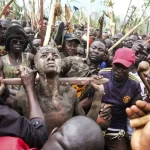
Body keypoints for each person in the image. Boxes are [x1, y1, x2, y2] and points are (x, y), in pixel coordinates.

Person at [13, 43, 104, 132]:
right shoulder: (23, 96)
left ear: (60, 65)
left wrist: (98, 96)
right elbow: (15, 131)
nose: (50, 58)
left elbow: (86, 128)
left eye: (55, 56)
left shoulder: (69, 93)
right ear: (35, 66)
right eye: (44, 56)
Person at [99, 48, 142, 150]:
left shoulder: (134, 84)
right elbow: (90, 100)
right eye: (116, 65)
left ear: (131, 67)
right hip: (98, 122)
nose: (119, 70)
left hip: (118, 128)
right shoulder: (101, 75)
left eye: (124, 67)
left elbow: (134, 111)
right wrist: (101, 106)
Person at [0, 25, 33, 98]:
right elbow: (1, 85)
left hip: (29, 95)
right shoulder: (2, 60)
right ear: (8, 42)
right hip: (9, 97)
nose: (18, 43)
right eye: (14, 41)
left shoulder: (29, 57)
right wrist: (20, 94)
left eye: (21, 41)